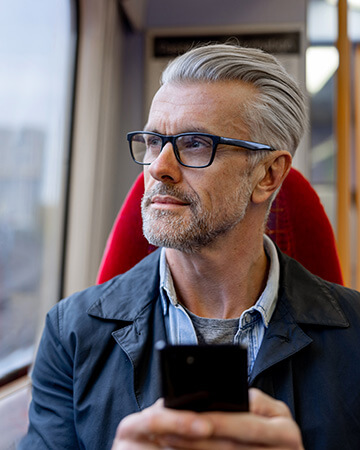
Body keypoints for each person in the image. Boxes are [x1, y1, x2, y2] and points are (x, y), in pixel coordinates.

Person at [20, 44, 360, 450]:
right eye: (152, 142)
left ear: (268, 175)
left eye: (195, 143)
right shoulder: (71, 333)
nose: (158, 167)